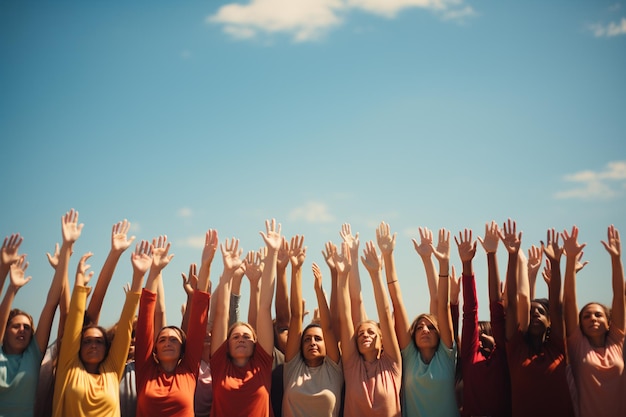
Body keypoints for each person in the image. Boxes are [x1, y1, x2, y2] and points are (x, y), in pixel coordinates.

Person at [52, 238, 150, 417]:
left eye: (99, 341)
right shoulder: (69, 368)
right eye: (87, 341)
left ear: (107, 347)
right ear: (78, 346)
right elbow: (72, 320)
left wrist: (139, 276)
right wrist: (80, 285)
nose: (93, 345)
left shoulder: (112, 371)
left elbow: (127, 324)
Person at [1, 210, 79, 417]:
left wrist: (66, 249)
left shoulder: (34, 355)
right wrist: (8, 282)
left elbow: (52, 303)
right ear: (5, 330)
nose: (22, 330)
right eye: (16, 325)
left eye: (27, 327)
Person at [502, 220, 574, 417]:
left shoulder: (558, 348)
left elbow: (558, 309)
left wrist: (557, 263)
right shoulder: (516, 348)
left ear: (549, 321)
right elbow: (512, 304)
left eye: (541, 312)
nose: (535, 314)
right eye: (532, 311)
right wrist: (513, 256)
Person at [209, 219, 280, 417]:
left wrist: (272, 254)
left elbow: (265, 308)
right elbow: (222, 314)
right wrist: (227, 273)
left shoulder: (262, 365)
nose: (241, 338)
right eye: (236, 336)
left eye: (247, 336)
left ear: (256, 343)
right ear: (227, 344)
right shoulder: (220, 365)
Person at [135, 236, 210, 417]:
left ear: (183, 348)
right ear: (155, 347)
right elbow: (146, 316)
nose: (168, 342)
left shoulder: (189, 370)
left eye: (174, 340)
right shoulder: (145, 370)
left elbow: (198, 322)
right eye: (162, 340)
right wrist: (154, 271)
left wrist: (206, 265)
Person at [388, 225, 458, 417]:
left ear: (439, 333)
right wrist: (388, 256)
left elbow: (440, 304)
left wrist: (440, 263)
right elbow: (397, 302)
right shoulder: (409, 357)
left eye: (430, 327)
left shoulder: (446, 355)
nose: (425, 330)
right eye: (419, 327)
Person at [338, 229, 402, 417]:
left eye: (371, 333)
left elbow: (384, 313)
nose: (365, 335)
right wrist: (342, 276)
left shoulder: (392, 364)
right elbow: (346, 315)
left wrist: (376, 274)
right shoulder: (351, 365)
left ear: (382, 339)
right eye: (360, 334)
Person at [562, 225, 625, 417]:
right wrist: (570, 260)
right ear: (580, 324)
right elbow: (570, 301)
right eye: (586, 316)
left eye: (598, 315)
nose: (592, 318)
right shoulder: (578, 345)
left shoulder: (617, 341)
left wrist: (616, 259)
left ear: (609, 321)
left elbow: (619, 295)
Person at [282, 236, 343, 417]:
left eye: (318, 338)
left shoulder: (334, 369)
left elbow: (330, 328)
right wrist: (296, 269)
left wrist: (319, 290)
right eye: (307, 339)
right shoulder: (293, 367)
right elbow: (295, 317)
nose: (312, 342)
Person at [457, 224, 511, 417]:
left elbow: (497, 312)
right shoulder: (470, 357)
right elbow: (470, 312)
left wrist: (492, 254)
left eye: (484, 333)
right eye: (476, 337)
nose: (479, 340)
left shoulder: (504, 356)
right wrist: (466, 264)